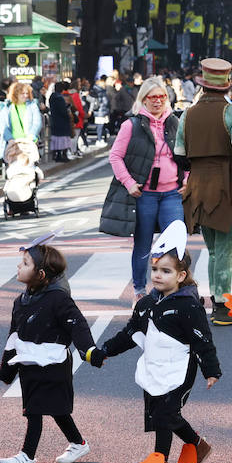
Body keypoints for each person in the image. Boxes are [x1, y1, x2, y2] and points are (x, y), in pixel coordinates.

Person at [87, 222, 221, 463]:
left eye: (166, 271)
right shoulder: (147, 303)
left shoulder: (188, 306)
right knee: (165, 414)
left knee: (164, 415)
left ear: (181, 276)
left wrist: (211, 370)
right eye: (155, 270)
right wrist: (105, 351)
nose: (157, 275)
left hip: (181, 368)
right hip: (155, 365)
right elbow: (130, 333)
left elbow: (202, 339)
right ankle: (197, 444)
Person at [0, 240, 94, 463]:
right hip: (28, 364)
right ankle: (78, 443)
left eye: (25, 263)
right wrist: (7, 369)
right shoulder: (20, 301)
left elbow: (77, 325)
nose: (19, 267)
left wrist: (89, 351)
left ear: (40, 274)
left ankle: (27, 457)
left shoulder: (58, 299)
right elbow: (14, 334)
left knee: (35, 410)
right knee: (57, 409)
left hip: (53, 364)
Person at [174, 58, 232, 325]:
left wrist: (195, 169)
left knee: (213, 250)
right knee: (225, 250)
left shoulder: (187, 114)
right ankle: (222, 306)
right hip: (225, 185)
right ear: (225, 86)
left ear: (202, 83)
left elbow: (179, 155)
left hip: (197, 186)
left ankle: (215, 299)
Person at [101, 77, 184, 300]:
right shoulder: (132, 125)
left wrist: (187, 179)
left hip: (172, 194)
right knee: (143, 243)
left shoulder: (175, 122)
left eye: (162, 97)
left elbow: (187, 156)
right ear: (143, 100)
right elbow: (116, 157)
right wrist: (129, 183)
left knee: (175, 244)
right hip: (144, 193)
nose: (158, 101)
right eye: (153, 97)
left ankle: (173, 289)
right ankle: (139, 290)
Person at [0, 82, 42, 162]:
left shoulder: (32, 106)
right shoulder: (6, 107)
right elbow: (2, 125)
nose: (26, 95)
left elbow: (37, 122)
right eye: (22, 93)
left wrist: (31, 137)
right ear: (15, 94)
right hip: (12, 144)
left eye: (27, 93)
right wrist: (10, 139)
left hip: (28, 144)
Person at [48, 81, 75, 163]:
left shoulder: (52, 97)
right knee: (63, 139)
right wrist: (68, 115)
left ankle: (57, 155)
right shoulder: (59, 98)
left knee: (56, 138)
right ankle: (63, 155)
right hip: (62, 122)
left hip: (55, 120)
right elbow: (63, 111)